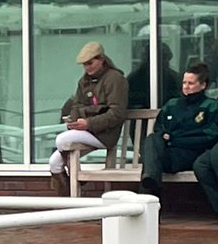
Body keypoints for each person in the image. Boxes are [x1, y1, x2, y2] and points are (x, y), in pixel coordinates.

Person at [49, 41, 130, 196]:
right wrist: (72, 121)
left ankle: (73, 172)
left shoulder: (115, 79)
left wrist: (88, 123)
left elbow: (117, 114)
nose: (87, 67)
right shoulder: (84, 81)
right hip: (85, 131)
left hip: (105, 134)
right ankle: (68, 198)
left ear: (101, 59)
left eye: (90, 63)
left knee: (61, 140)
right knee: (53, 163)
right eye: (84, 65)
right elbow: (76, 105)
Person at [139, 64, 218, 198]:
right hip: (169, 153)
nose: (186, 86)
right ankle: (151, 182)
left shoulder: (211, 106)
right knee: (152, 140)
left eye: (191, 83)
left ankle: (149, 195)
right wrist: (165, 136)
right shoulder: (172, 104)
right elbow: (160, 128)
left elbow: (209, 136)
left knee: (151, 162)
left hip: (193, 154)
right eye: (184, 82)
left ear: (203, 85)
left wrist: (175, 138)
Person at [127, 41, 179, 110]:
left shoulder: (173, 78)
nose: (166, 62)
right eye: (164, 58)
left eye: (167, 58)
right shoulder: (134, 79)